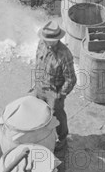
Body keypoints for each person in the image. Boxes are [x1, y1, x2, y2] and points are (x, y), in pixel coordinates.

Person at [32, 21, 77, 153]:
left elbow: (71, 79)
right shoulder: (41, 44)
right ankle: (43, 135)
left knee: (57, 116)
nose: (48, 42)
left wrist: (61, 95)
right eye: (46, 40)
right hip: (40, 86)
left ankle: (62, 139)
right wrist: (36, 83)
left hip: (54, 91)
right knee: (39, 113)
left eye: (51, 40)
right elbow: (38, 63)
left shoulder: (64, 54)